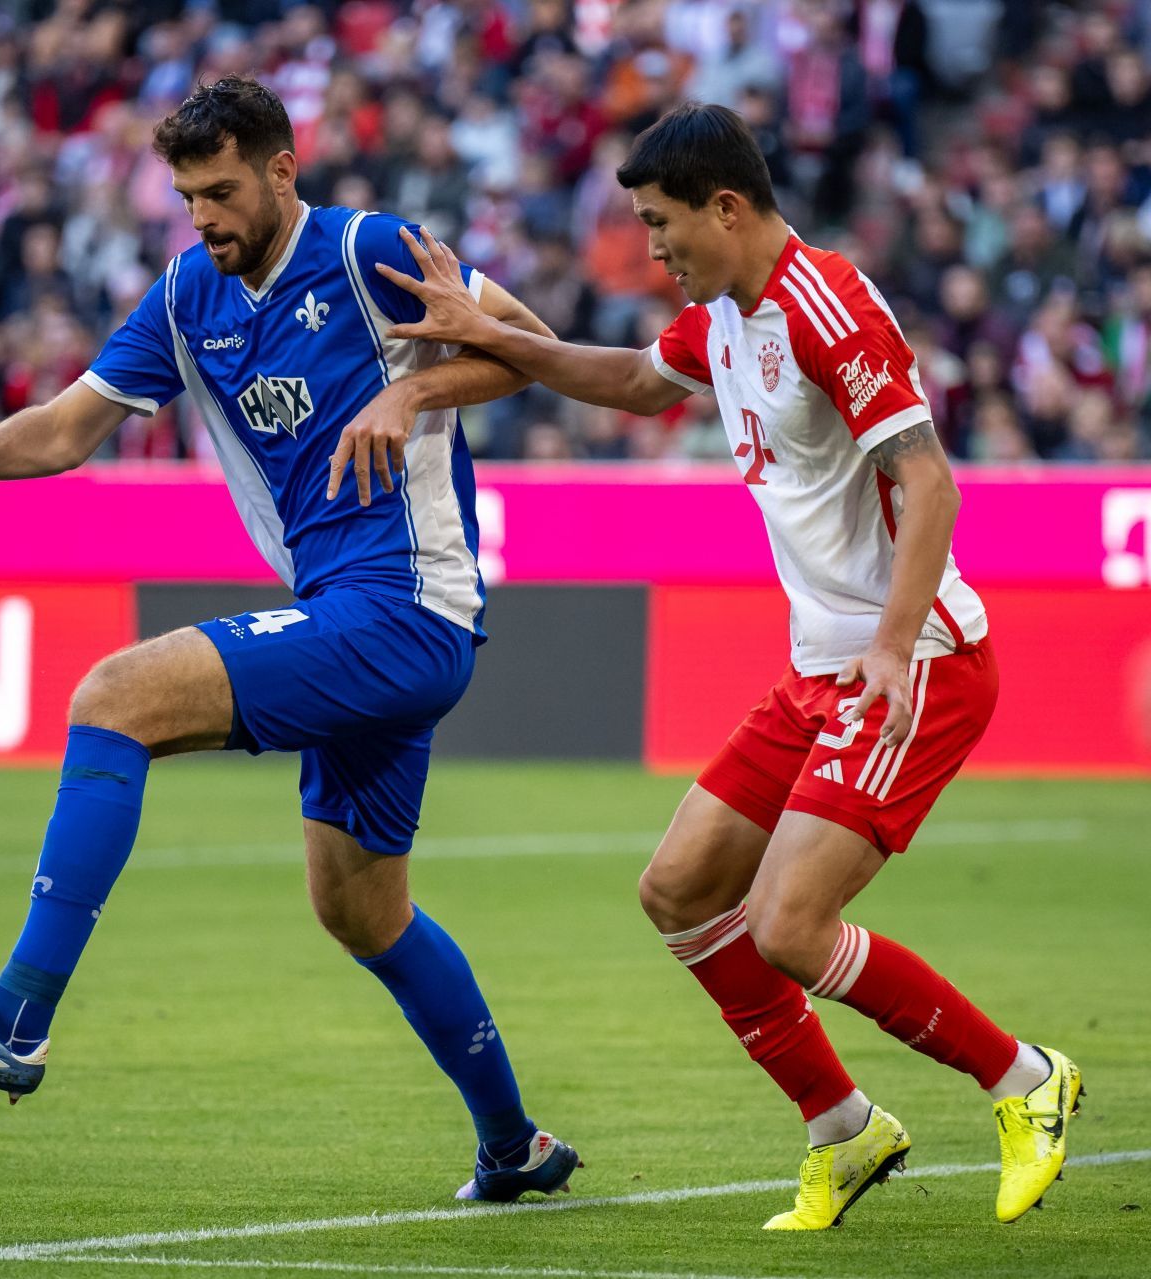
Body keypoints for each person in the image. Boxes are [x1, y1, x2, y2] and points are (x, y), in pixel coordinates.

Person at [0, 78, 582, 1203]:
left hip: (406, 604)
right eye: (189, 197)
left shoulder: (370, 251)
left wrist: (409, 396)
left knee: (115, 695)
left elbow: (541, 351)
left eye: (224, 192)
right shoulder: (192, 292)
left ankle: (14, 1019)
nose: (205, 218)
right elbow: (66, 429)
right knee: (360, 907)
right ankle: (515, 1145)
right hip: (354, 614)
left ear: (285, 170)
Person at [351, 102, 1080, 1229]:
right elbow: (634, 381)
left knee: (788, 925)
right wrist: (492, 335)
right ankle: (843, 1127)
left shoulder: (828, 308)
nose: (651, 248)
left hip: (916, 658)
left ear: (726, 207)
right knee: (681, 888)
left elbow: (932, 482)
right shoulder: (721, 321)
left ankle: (1026, 1080)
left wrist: (890, 645)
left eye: (660, 223)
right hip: (820, 668)